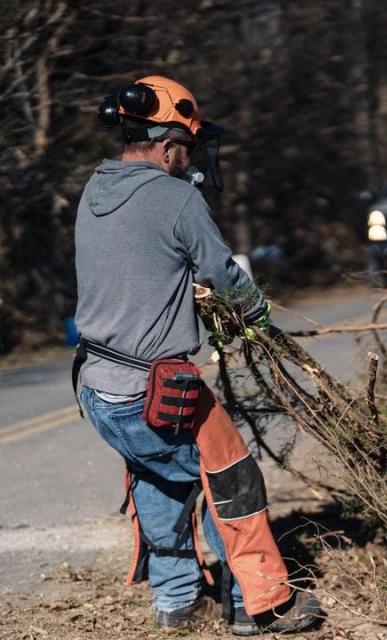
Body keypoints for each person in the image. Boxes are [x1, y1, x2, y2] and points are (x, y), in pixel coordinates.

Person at [73, 75, 321, 635]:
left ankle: (178, 603)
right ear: (167, 145)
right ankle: (260, 604)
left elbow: (138, 266)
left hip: (98, 391)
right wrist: (254, 314)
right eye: (186, 148)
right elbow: (223, 275)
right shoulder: (176, 196)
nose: (189, 161)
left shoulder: (95, 189)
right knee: (229, 476)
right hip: (152, 393)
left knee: (160, 478)